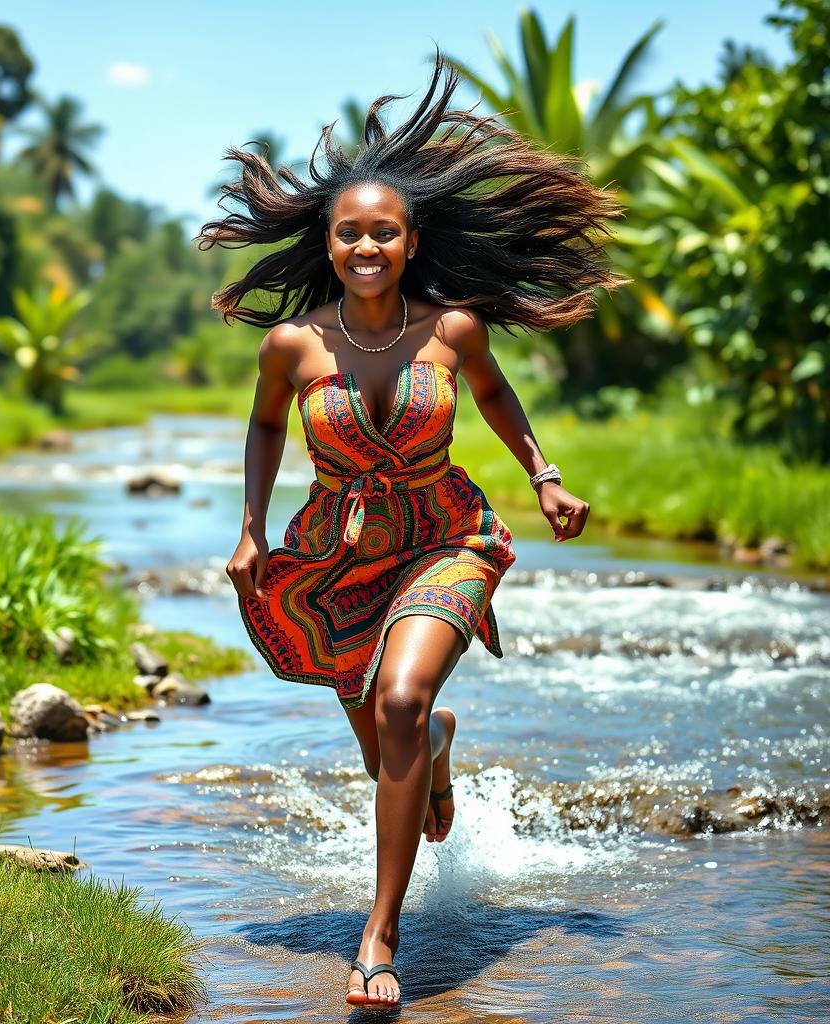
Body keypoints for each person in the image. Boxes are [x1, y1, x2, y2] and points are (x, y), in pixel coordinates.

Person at [197, 51, 627, 1008]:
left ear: (410, 240)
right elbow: (268, 425)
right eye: (349, 234)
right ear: (330, 238)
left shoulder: (453, 329)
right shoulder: (294, 344)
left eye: (383, 234)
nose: (365, 249)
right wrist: (250, 528)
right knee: (388, 738)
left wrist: (543, 476)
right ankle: (433, 746)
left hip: (446, 535)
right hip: (338, 554)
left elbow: (497, 394)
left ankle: (379, 934)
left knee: (392, 700)